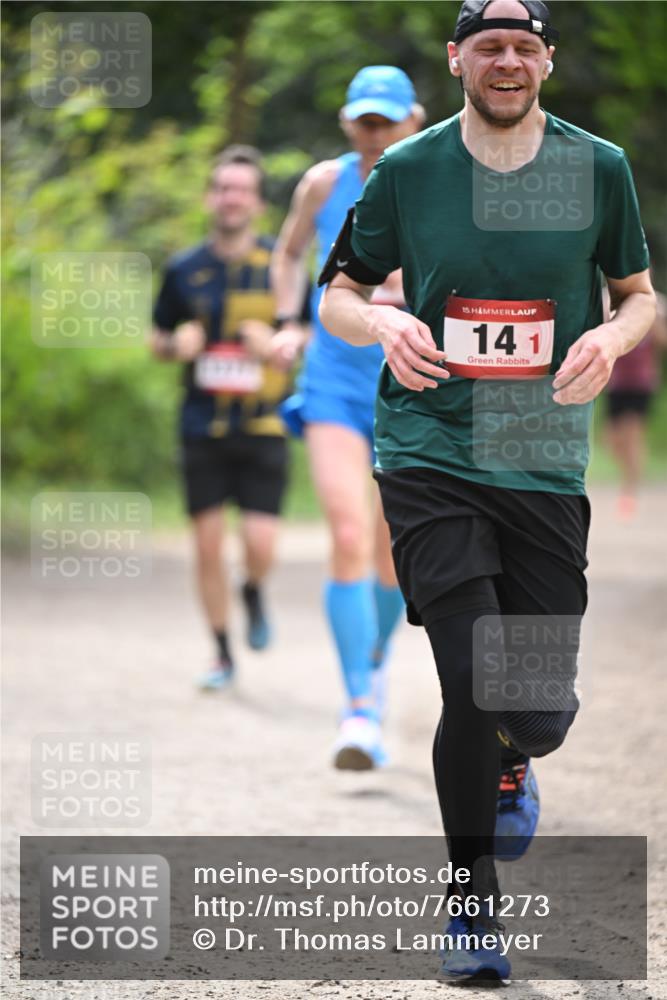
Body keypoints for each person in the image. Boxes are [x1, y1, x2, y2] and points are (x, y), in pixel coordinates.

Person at [320, 0, 655, 980]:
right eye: (487, 46)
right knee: (471, 675)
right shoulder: (407, 169)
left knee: (536, 709)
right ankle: (470, 910)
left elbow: (638, 296)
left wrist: (609, 337)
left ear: (545, 61)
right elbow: (339, 292)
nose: (506, 60)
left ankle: (515, 753)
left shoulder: (596, 167)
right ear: (457, 59)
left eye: (522, 46)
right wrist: (382, 324)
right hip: (429, 441)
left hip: (539, 446)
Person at [271, 67, 425, 770]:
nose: (374, 134)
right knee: (345, 531)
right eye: (364, 121)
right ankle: (359, 708)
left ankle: (373, 658)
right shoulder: (322, 183)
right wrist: (287, 320)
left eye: (385, 122)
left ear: (413, 120)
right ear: (346, 123)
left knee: (393, 552)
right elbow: (288, 252)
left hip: (411, 380)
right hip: (333, 379)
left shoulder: (438, 181)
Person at [151, 146, 300, 690]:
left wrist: (278, 343)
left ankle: (252, 588)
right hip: (202, 424)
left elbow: (307, 329)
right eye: (222, 188)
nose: (230, 198)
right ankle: (220, 653)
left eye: (241, 190)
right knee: (208, 545)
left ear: (258, 203)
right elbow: (157, 336)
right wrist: (176, 346)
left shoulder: (281, 266)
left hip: (265, 422)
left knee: (260, 544)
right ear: (209, 197)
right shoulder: (183, 269)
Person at [605, 286, 666, 518]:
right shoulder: (607, 299)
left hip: (641, 382)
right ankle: (629, 474)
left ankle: (629, 491)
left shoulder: (655, 304)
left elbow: (662, 341)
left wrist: (651, 320)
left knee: (632, 435)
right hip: (616, 382)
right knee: (612, 440)